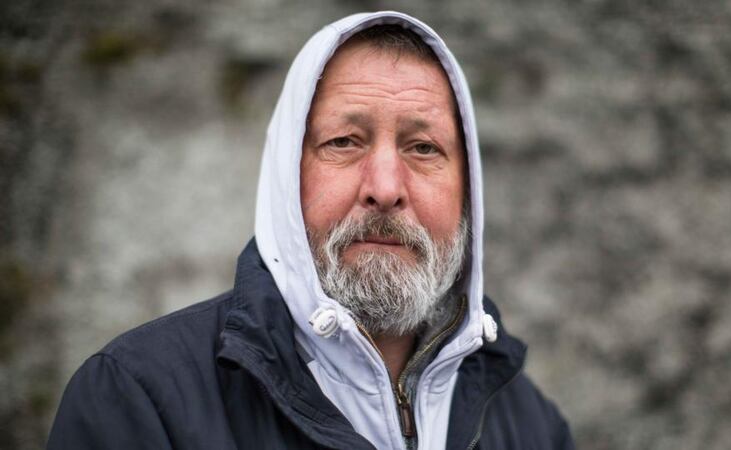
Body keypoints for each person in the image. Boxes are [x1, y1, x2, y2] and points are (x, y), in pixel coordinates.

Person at [47, 11, 574, 450]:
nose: (385, 188)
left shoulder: (531, 427)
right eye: (344, 141)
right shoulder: (138, 398)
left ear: (468, 192)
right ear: (287, 177)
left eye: (423, 148)